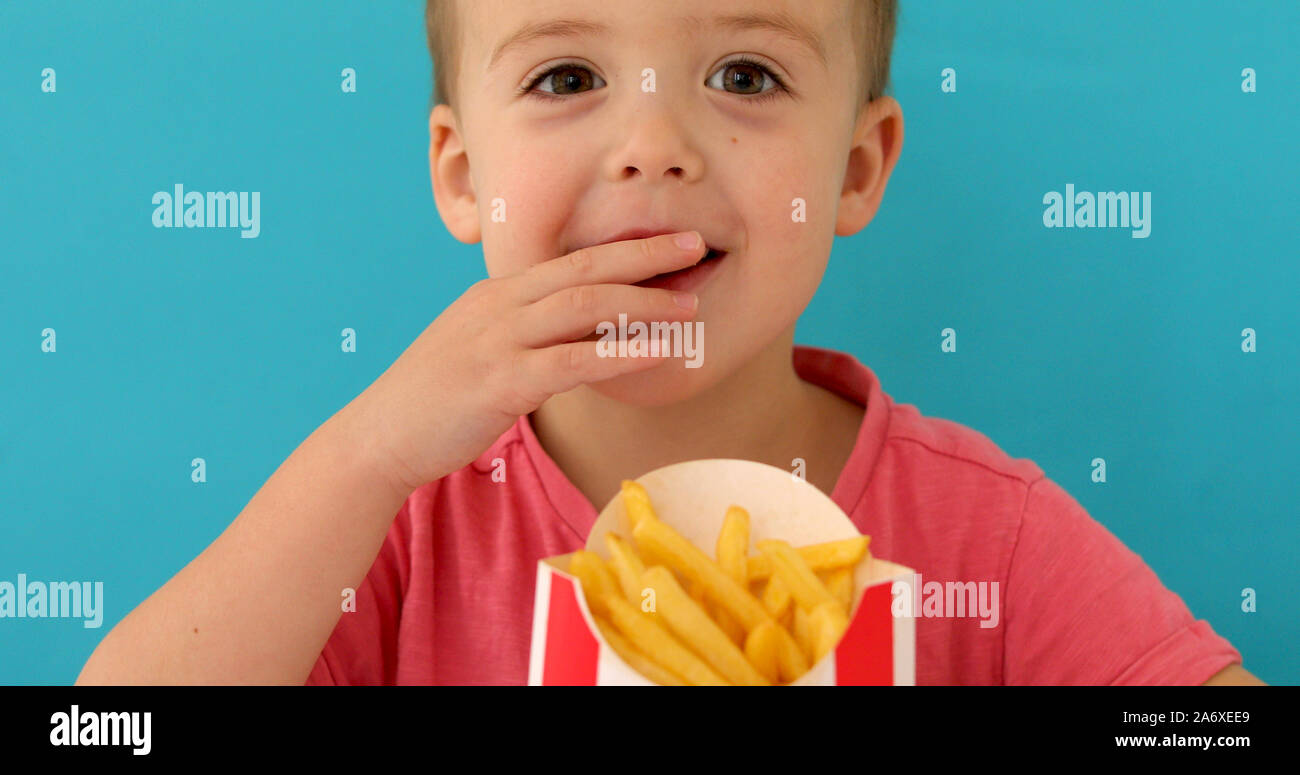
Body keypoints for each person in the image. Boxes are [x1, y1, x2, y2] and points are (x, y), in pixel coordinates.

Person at [76, 0, 1264, 686]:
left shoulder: (984, 535)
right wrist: (366, 455)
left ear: (855, 169)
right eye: (566, 75)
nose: (652, 143)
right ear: (462, 175)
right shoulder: (396, 522)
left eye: (743, 74)